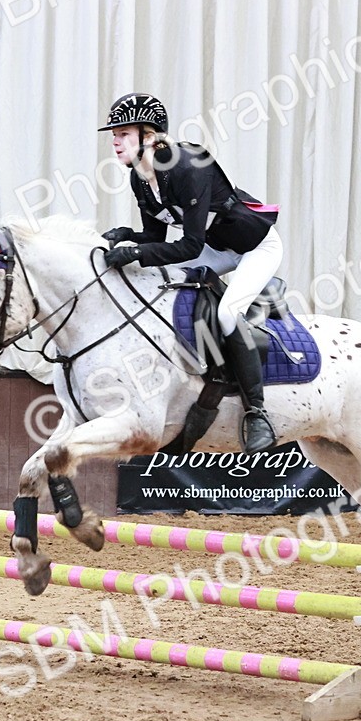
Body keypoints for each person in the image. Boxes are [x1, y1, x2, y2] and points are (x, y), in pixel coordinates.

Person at [98, 92, 281, 454]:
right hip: (216, 248)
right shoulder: (140, 178)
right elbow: (156, 238)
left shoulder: (187, 165)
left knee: (229, 313)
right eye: (114, 134)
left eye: (122, 132)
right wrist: (127, 236)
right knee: (160, 283)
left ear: (148, 135)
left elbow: (190, 247)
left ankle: (257, 413)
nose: (115, 140)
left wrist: (135, 253)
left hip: (256, 247)